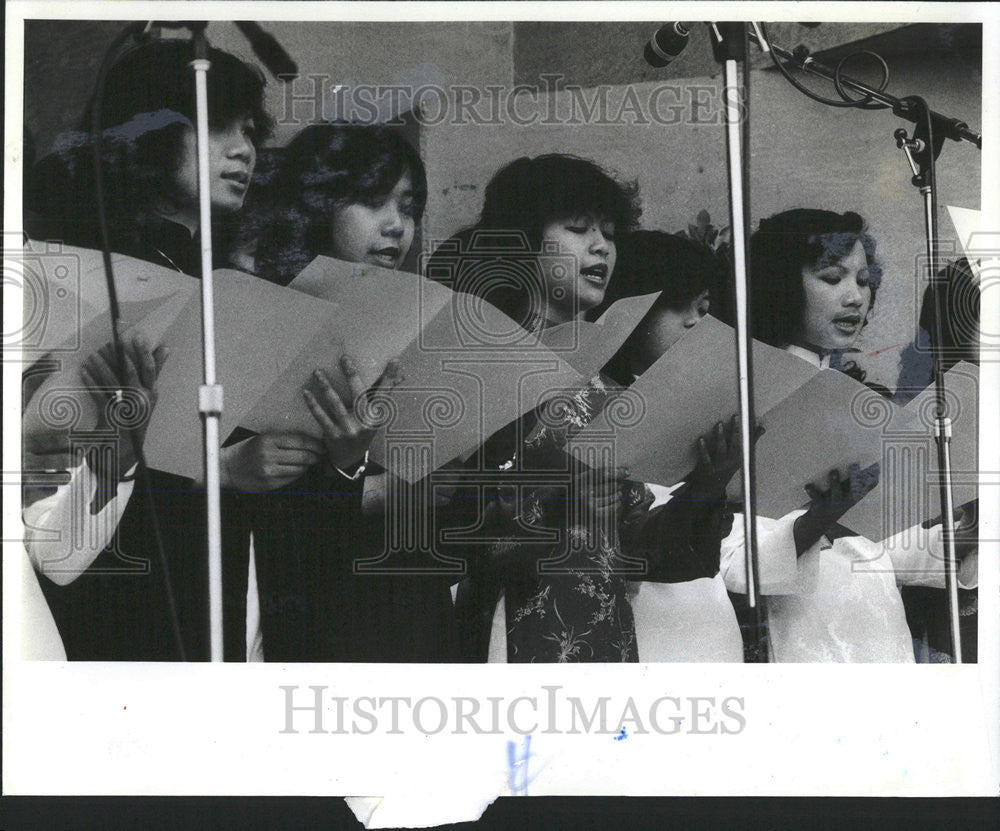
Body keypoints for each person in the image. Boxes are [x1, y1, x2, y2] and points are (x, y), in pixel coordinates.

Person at [440, 156, 739, 663]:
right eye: (579, 229)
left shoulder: (605, 385)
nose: (602, 246)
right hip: (512, 639)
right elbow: (450, 539)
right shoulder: (475, 367)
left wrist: (711, 481)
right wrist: (560, 504)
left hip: (606, 641)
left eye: (609, 232)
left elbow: (643, 553)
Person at [718, 209, 978, 662]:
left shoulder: (858, 397)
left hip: (877, 627)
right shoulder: (749, 394)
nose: (855, 297)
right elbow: (733, 562)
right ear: (780, 284)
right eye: (832, 278)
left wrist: (968, 533)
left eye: (862, 280)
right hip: (800, 636)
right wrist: (819, 520)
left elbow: (876, 546)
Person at [235, 123, 451, 662]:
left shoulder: (420, 322)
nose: (396, 226)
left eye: (409, 207)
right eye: (373, 201)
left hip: (411, 609)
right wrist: (350, 468)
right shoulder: (259, 315)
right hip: (316, 621)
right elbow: (281, 520)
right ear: (318, 204)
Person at [594, 229, 744, 662]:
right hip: (635, 624)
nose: (696, 321)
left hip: (706, 621)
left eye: (704, 308)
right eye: (679, 305)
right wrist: (705, 486)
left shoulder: (704, 407)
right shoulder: (593, 401)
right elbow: (634, 549)